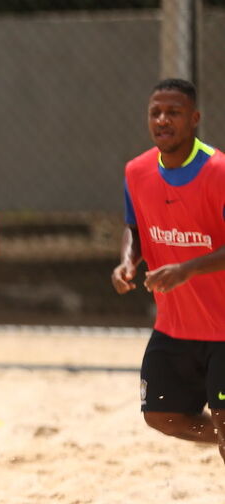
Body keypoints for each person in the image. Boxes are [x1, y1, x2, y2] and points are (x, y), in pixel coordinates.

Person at [111, 79, 225, 463]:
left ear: (194, 119)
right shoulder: (136, 171)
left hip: (223, 327)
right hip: (175, 327)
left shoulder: (219, 171)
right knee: (161, 415)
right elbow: (134, 228)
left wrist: (188, 269)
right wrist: (128, 262)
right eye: (155, 112)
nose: (163, 119)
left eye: (173, 112)